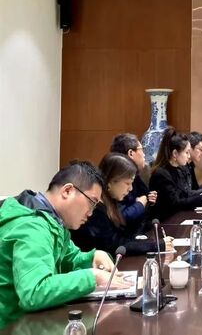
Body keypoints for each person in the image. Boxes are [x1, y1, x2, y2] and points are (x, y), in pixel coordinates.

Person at [0, 161, 131, 329]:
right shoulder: (32, 226)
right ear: (67, 191)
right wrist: (93, 277)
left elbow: (70, 258)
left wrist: (92, 257)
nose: (91, 213)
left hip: (30, 322)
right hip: (11, 326)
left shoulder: (51, 220)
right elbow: (34, 292)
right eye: (91, 202)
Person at [72, 153, 164, 256]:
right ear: (111, 180)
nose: (130, 189)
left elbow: (127, 234)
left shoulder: (111, 202)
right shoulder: (95, 209)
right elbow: (115, 245)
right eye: (127, 183)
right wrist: (156, 245)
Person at [149, 127, 202, 221]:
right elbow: (176, 204)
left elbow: (187, 194)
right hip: (166, 221)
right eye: (187, 152)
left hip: (179, 217)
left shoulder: (178, 169)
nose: (189, 156)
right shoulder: (161, 174)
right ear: (175, 153)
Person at [109, 133, 157, 225]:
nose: (144, 154)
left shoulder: (136, 175)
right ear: (131, 153)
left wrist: (148, 199)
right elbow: (119, 217)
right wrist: (139, 205)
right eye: (142, 149)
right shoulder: (117, 178)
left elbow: (144, 197)